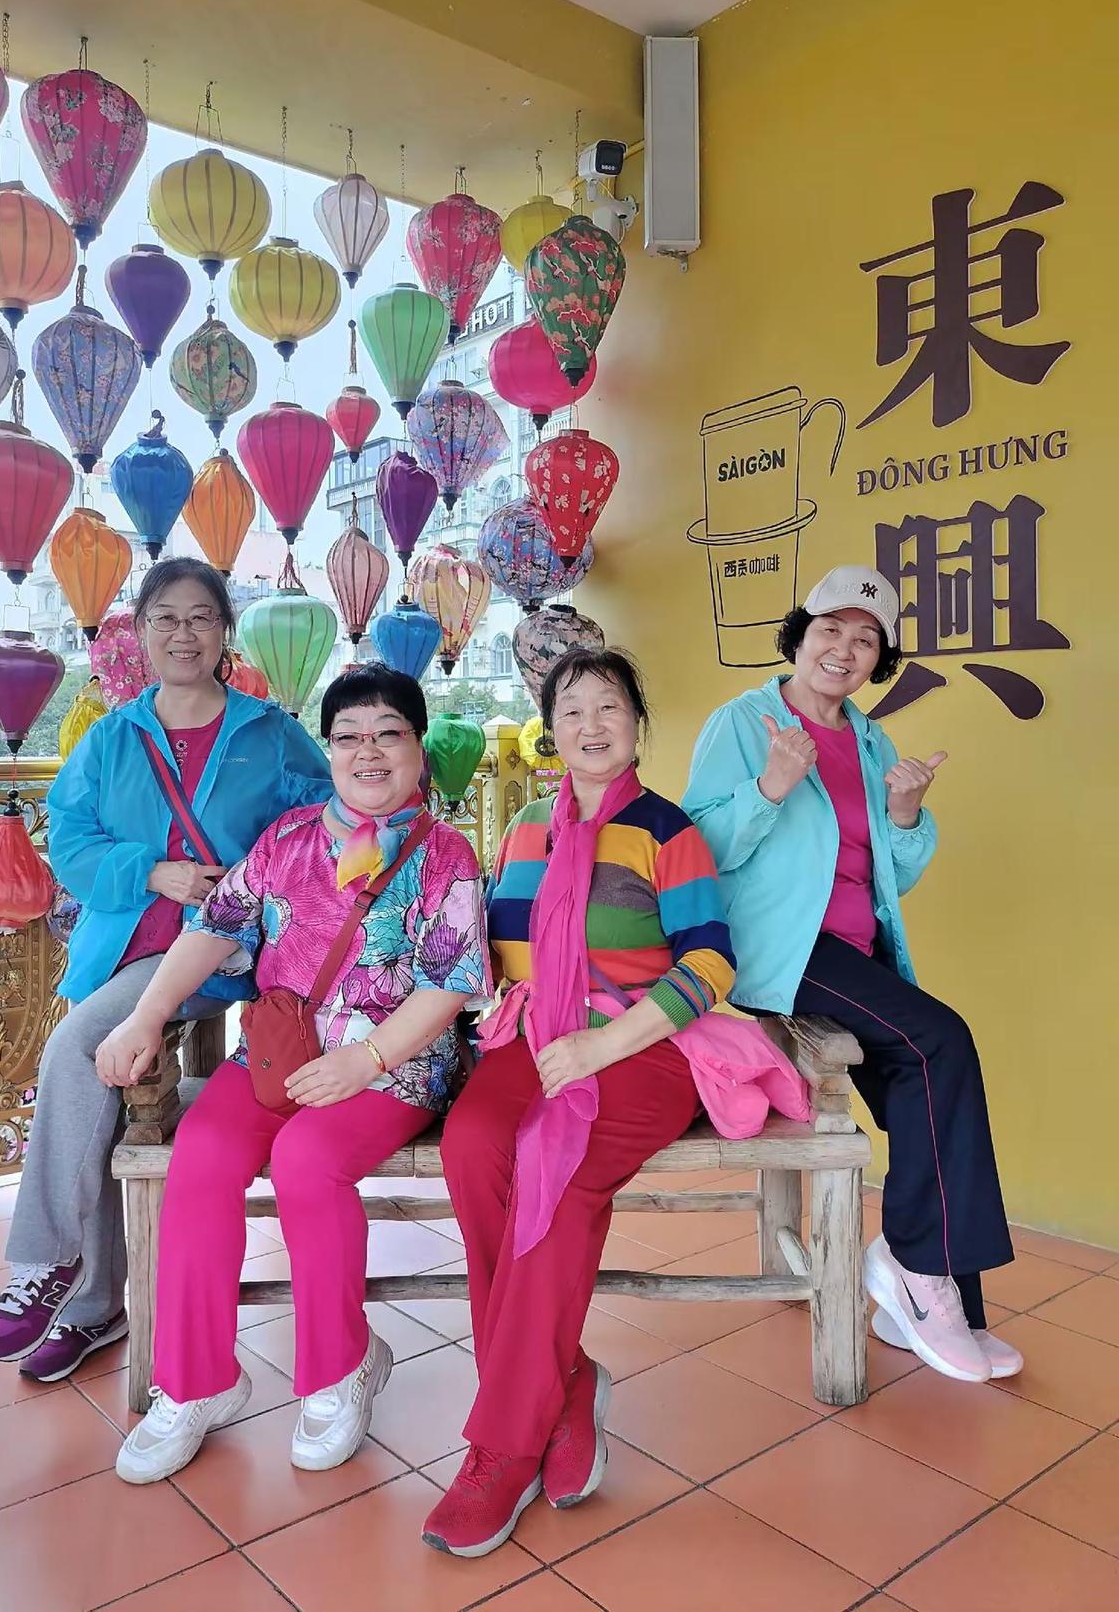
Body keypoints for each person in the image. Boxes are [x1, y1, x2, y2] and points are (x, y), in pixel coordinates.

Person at [110, 663, 492, 1482]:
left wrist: (367, 1058)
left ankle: (341, 1366)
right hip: (280, 1055)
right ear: (329, 750)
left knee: (308, 1161)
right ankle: (198, 1381)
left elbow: (451, 984)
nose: (368, 752)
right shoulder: (287, 838)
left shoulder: (447, 856)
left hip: (393, 1066)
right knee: (202, 1155)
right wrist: (146, 1015)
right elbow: (213, 929)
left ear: (419, 748)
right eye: (348, 736)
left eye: (388, 734)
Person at [0, 559, 331, 1381]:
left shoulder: (270, 734)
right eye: (165, 617)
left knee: (75, 1050)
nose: (183, 634)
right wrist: (153, 872)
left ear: (224, 631)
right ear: (139, 632)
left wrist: (247, 886)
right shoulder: (111, 737)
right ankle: (95, 1306)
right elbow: (70, 840)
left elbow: (320, 833)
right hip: (121, 948)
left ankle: (46, 1261)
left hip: (223, 954)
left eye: (201, 617)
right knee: (97, 1086)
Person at [423, 648, 741, 1558]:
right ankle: (562, 1383)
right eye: (571, 710)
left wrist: (604, 1043)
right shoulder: (526, 827)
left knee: (554, 1181)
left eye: (609, 707)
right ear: (549, 729)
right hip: (535, 1035)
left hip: (640, 1046)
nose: (591, 726)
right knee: (473, 1146)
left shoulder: (667, 832)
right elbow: (488, 948)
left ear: (637, 722)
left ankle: (503, 1447)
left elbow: (712, 963)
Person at [684, 564, 1016, 1387]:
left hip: (857, 952)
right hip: (785, 952)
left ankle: (932, 1297)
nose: (844, 648)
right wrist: (771, 786)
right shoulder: (744, 722)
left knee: (926, 1084)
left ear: (879, 659)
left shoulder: (871, 741)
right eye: (830, 629)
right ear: (799, 637)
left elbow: (892, 873)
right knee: (943, 1042)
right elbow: (697, 851)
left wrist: (905, 815)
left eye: (866, 639)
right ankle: (917, 1273)